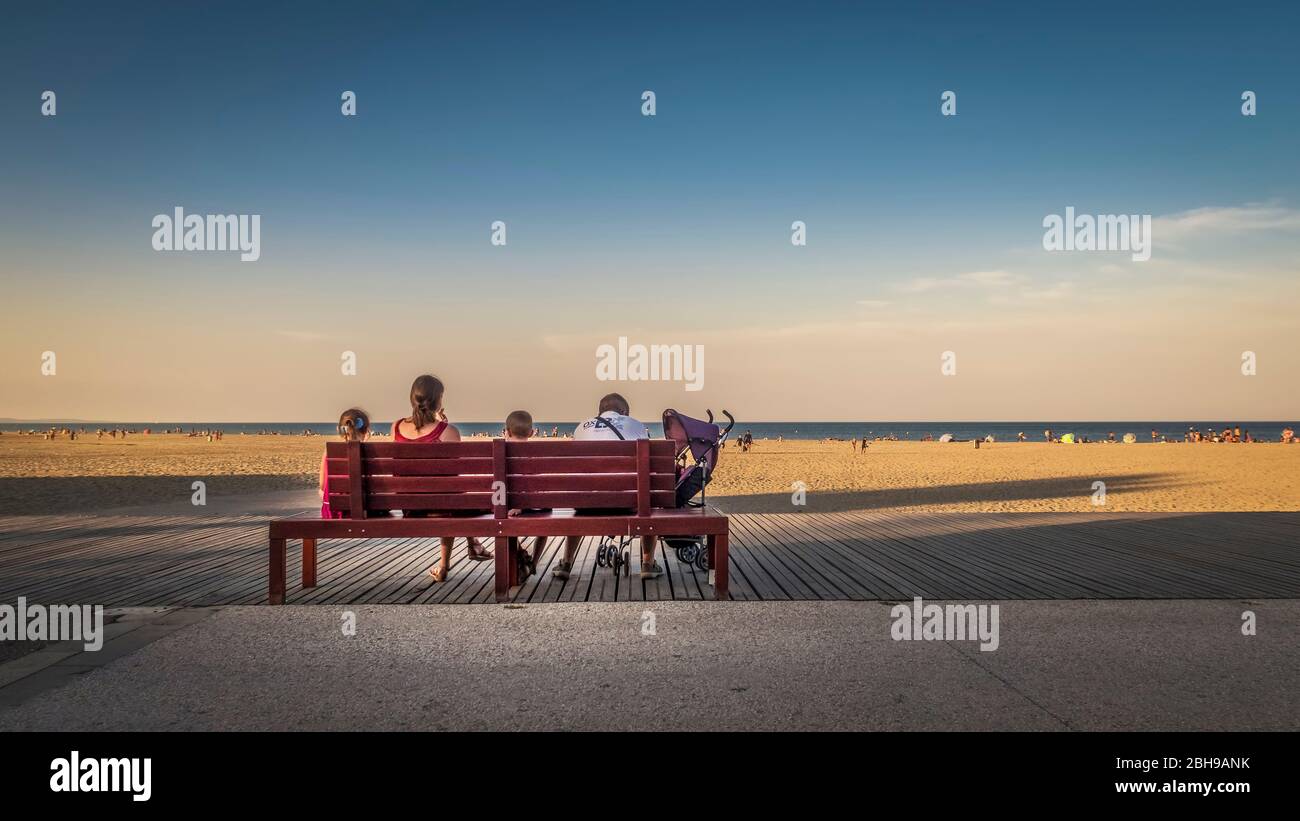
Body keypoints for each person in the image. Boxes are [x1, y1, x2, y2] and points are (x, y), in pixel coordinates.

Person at [393, 375, 493, 581]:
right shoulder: (449, 432)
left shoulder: (395, 427)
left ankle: (459, 555)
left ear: (412, 399)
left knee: (449, 497)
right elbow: (452, 478)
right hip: (443, 504)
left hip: (410, 506)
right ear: (439, 401)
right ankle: (471, 545)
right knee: (461, 498)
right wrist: (443, 427)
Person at [554, 393, 660, 581]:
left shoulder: (581, 427)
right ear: (624, 412)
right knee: (648, 501)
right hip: (628, 502)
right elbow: (649, 465)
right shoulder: (635, 424)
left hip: (586, 504)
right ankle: (647, 563)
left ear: (600, 411)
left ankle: (566, 562)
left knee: (582, 499)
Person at [504, 410, 547, 578]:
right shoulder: (536, 450)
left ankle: (521, 553)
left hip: (511, 504)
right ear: (531, 432)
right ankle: (534, 562)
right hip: (536, 503)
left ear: (507, 431)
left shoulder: (503, 449)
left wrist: (517, 504)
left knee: (504, 522)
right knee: (545, 525)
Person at [320, 408, 369, 519]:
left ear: (340, 430)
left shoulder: (328, 452)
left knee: (322, 492)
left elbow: (322, 485)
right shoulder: (369, 451)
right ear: (366, 430)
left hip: (332, 511)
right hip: (363, 510)